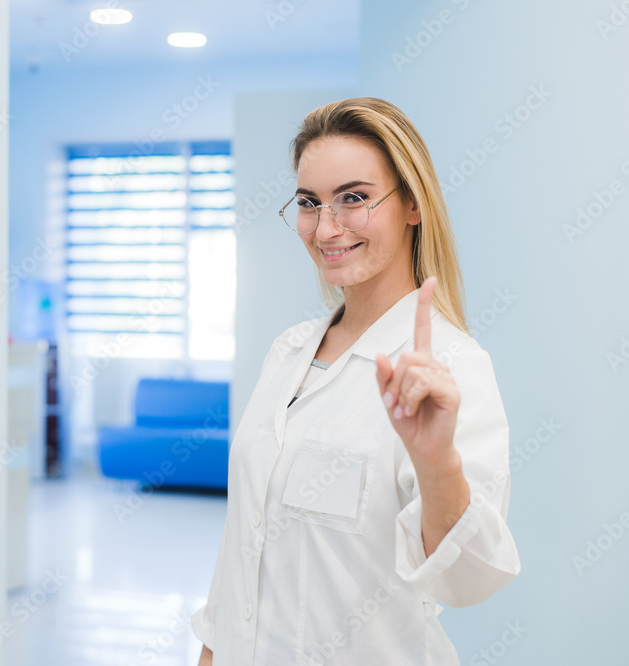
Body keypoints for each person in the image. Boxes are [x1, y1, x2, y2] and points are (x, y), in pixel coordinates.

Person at [191, 97, 521, 665]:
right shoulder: (288, 352)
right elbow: (239, 559)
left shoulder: (454, 367)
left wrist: (435, 458)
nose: (326, 227)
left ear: (412, 205)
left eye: (354, 198)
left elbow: (467, 580)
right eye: (308, 203)